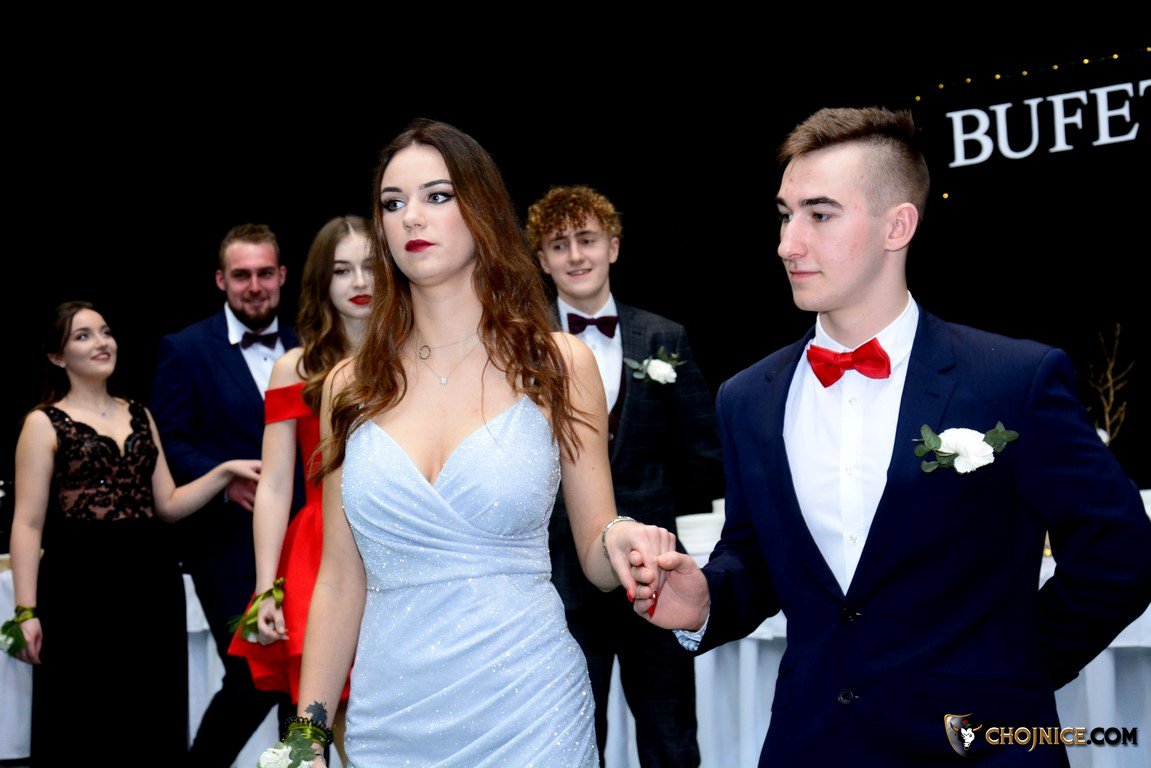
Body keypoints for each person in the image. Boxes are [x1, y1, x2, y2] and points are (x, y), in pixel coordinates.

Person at [633, 107, 1151, 766]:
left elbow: (1120, 551)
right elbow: (755, 557)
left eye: (820, 215)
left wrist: (1011, 675)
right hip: (811, 746)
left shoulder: (1011, 380)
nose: (788, 243)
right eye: (785, 215)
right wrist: (705, 600)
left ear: (897, 226)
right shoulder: (746, 399)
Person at [285, 118, 676, 768]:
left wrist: (624, 540)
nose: (411, 217)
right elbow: (340, 579)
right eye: (392, 203)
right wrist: (307, 734)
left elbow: (594, 546)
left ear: (482, 209)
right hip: (390, 718)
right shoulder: (349, 387)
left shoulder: (558, 364)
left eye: (437, 196)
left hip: (531, 711)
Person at [6, 301, 261, 764]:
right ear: (57, 356)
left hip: (150, 585)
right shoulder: (42, 423)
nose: (101, 343)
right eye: (83, 336)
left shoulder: (140, 414)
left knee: (151, 714)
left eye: (105, 331)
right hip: (79, 588)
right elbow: (27, 523)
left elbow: (168, 504)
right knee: (84, 715)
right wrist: (26, 612)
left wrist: (223, 473)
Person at [525, 184, 723, 767]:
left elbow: (704, 452)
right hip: (559, 575)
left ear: (612, 246)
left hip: (655, 572)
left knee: (670, 734)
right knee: (572, 736)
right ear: (542, 260)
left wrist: (665, 522)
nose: (575, 255)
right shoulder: (523, 347)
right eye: (559, 245)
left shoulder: (663, 336)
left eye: (587, 240)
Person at [151, 223, 298, 765]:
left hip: (304, 540)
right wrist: (222, 479)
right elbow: (169, 441)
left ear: (282, 276)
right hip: (226, 548)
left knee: (302, 676)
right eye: (241, 275)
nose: (254, 286)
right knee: (252, 675)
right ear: (221, 280)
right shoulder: (185, 349)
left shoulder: (311, 344)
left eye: (265, 273)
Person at [228, 214, 372, 767]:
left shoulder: (418, 356)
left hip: (399, 544)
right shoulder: (296, 367)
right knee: (322, 719)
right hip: (319, 548)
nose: (360, 282)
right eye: (342, 270)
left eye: (370, 267)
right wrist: (265, 587)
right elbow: (272, 485)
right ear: (320, 281)